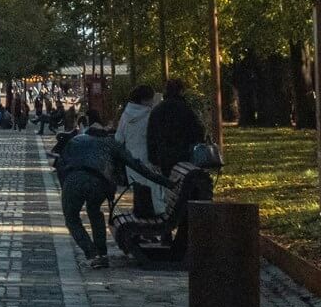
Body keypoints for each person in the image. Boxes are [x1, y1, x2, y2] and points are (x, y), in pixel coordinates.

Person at [53, 123, 169, 269]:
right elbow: (138, 166)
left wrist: (67, 190)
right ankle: (102, 254)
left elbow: (60, 165)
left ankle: (92, 253)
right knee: (95, 211)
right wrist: (166, 182)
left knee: (72, 219)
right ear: (105, 133)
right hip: (98, 182)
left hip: (73, 179)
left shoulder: (77, 140)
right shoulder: (111, 144)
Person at [147, 78, 207, 176]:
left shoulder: (157, 110)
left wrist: (153, 158)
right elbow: (198, 130)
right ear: (181, 91)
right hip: (184, 154)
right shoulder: (186, 109)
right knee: (185, 183)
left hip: (164, 156)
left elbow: (151, 136)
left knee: (168, 184)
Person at [115, 85, 159, 216]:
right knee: (150, 191)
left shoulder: (126, 114)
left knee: (138, 190)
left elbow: (118, 138)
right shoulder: (151, 115)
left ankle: (139, 214)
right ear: (145, 100)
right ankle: (147, 218)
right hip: (148, 157)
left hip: (131, 159)